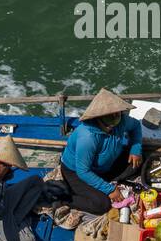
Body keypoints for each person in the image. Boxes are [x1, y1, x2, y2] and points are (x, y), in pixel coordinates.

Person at [58, 88, 144, 217]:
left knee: (137, 163)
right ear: (99, 118)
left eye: (118, 113)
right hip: (76, 172)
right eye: (111, 115)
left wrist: (135, 149)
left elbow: (136, 126)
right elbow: (83, 171)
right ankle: (63, 197)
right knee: (101, 205)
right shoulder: (88, 137)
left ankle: (102, 182)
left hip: (104, 166)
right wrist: (110, 190)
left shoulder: (121, 121)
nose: (116, 117)